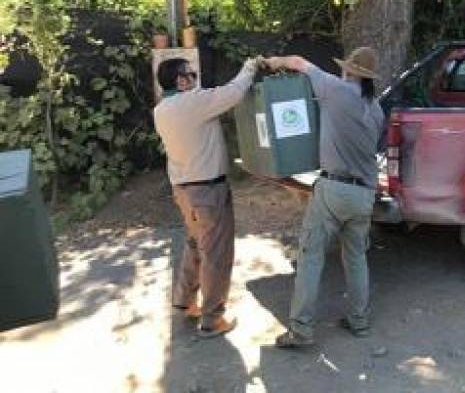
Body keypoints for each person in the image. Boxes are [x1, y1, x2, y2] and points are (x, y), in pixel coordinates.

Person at [261, 47, 385, 348]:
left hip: (334, 189)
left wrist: (272, 62)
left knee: (310, 255)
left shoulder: (336, 90)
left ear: (351, 71)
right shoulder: (377, 109)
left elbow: (300, 62)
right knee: (356, 258)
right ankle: (359, 321)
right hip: (365, 194)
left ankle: (301, 329)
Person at [153, 56, 259, 338]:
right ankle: (212, 320)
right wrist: (250, 66)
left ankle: (184, 300)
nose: (195, 78)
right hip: (208, 191)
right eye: (191, 74)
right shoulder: (193, 102)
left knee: (195, 244)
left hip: (184, 191)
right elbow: (235, 93)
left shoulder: (161, 109)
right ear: (181, 80)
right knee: (216, 253)